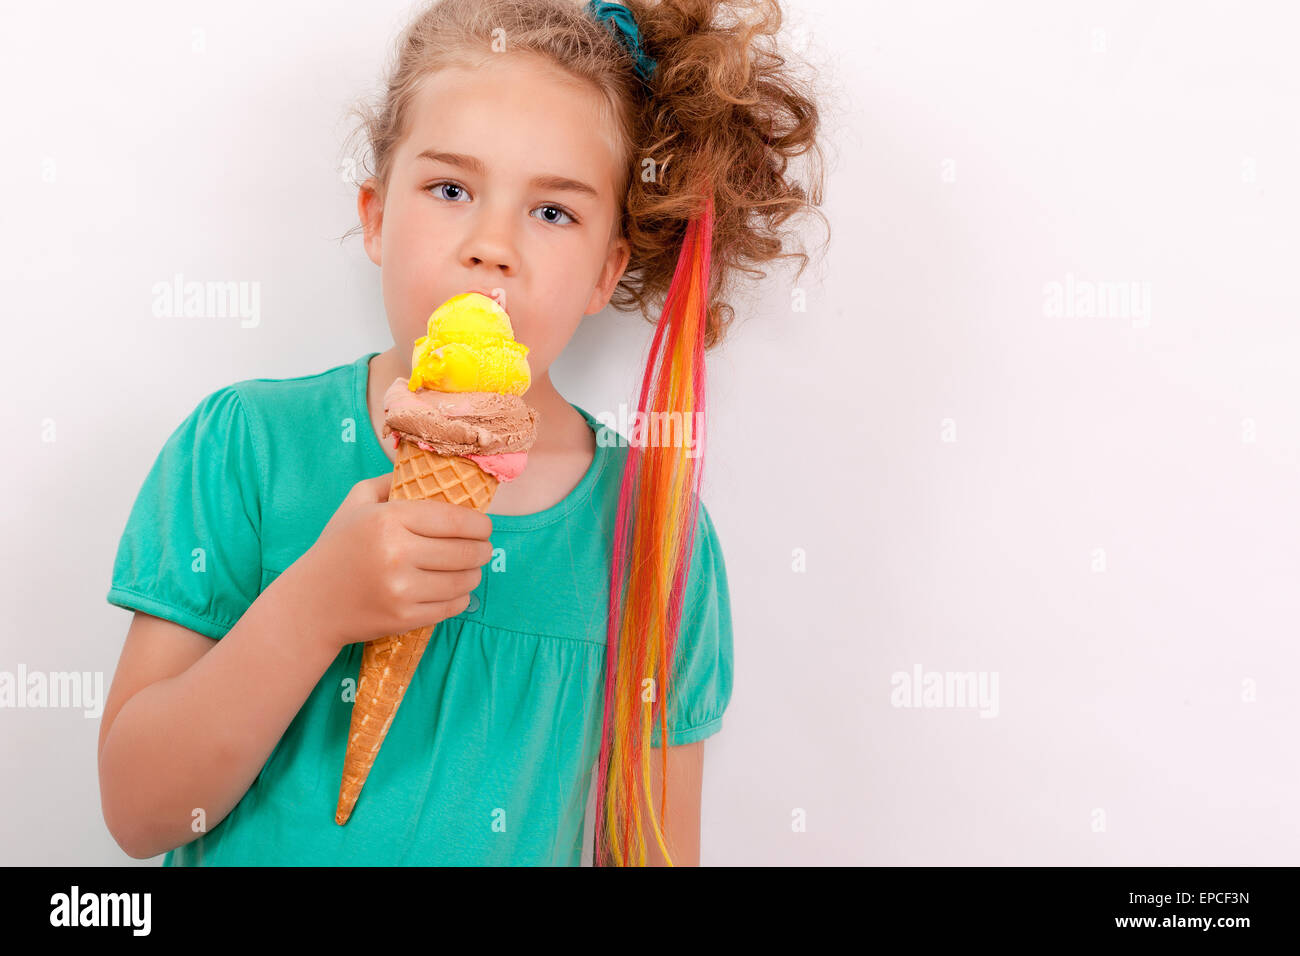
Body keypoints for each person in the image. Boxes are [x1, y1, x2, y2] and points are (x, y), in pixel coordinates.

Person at [99, 0, 826, 866]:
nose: (492, 246)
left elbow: (653, 850)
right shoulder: (246, 448)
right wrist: (313, 608)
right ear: (374, 215)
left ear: (606, 271)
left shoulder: (651, 538)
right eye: (451, 190)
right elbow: (140, 814)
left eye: (552, 212)